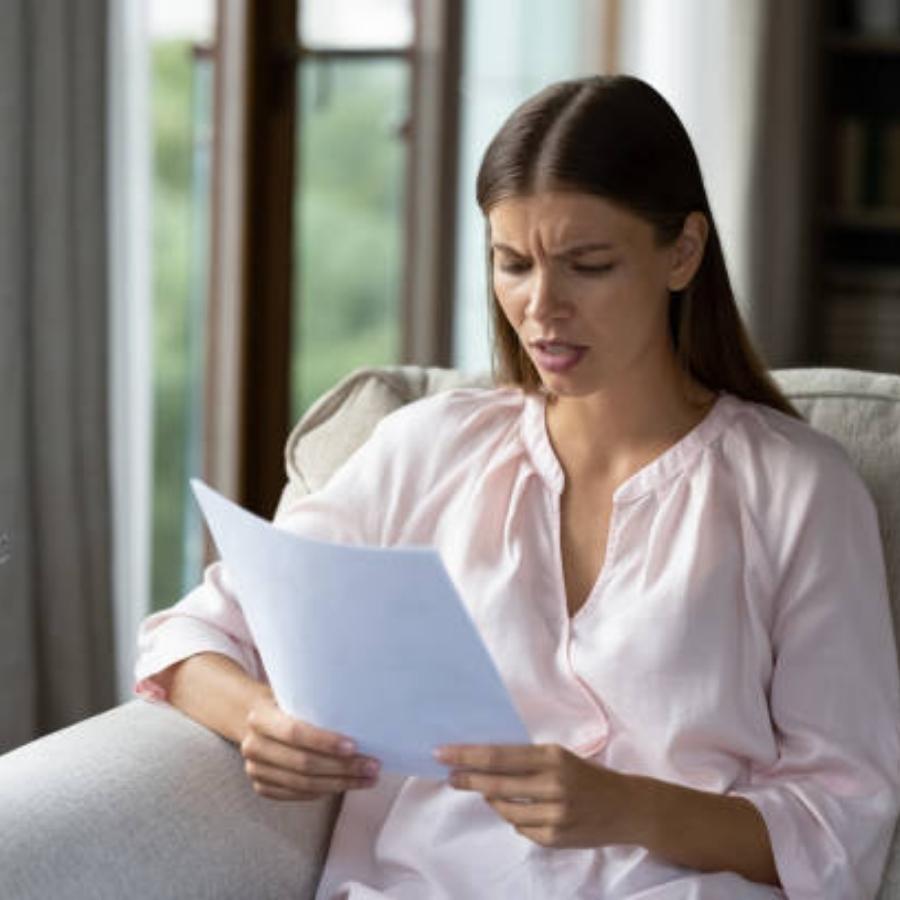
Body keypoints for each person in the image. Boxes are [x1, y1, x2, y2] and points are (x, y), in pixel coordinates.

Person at [134, 75, 900, 898]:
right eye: (513, 264)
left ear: (682, 252)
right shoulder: (429, 449)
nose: (542, 308)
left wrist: (629, 807)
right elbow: (189, 635)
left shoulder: (798, 491)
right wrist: (262, 722)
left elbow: (842, 821)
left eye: (588, 265)